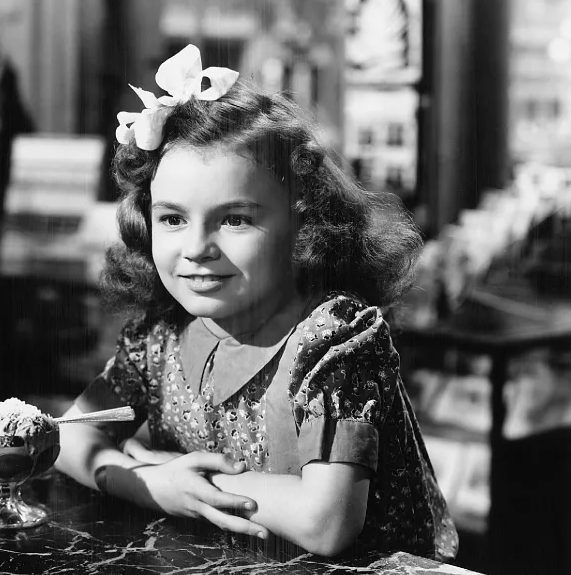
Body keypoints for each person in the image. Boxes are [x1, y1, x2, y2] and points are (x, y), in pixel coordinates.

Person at [54, 44, 458, 560]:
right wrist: (152, 482)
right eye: (173, 219)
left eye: (235, 219)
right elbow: (69, 437)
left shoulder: (334, 340)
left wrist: (173, 476)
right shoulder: (160, 339)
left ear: (303, 226)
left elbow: (325, 521)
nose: (197, 248)